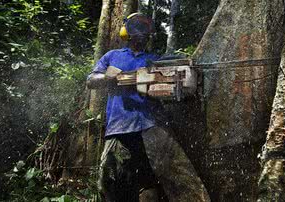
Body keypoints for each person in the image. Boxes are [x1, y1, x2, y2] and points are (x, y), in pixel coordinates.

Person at [87, 13, 210, 202]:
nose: (140, 32)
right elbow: (91, 80)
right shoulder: (112, 57)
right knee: (109, 181)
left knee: (155, 182)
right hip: (119, 127)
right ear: (126, 31)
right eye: (136, 26)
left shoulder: (154, 60)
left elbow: (174, 78)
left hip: (151, 127)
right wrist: (108, 78)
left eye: (144, 28)